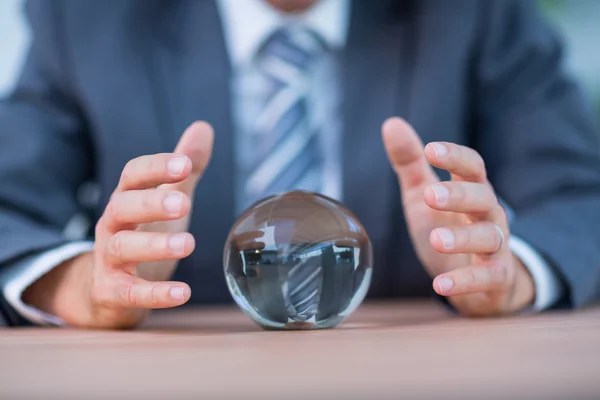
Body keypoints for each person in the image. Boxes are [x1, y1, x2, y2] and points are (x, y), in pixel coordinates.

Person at [0, 0, 599, 329]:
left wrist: (514, 273)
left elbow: (581, 197)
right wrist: (79, 287)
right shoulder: (80, 17)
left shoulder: (478, 13)